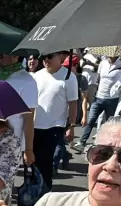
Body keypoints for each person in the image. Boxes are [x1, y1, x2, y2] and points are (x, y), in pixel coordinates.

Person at [31, 51, 79, 191]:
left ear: (60, 57)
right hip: (34, 126)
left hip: (55, 126)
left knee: (45, 162)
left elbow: (73, 103)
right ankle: (34, 190)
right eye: (43, 57)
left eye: (50, 56)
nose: (46, 59)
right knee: (32, 161)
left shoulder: (69, 77)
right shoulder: (37, 75)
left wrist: (71, 125)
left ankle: (45, 192)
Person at [0, 53, 38, 174]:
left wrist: (28, 150)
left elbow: (28, 118)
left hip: (10, 143)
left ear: (16, 56)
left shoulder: (27, 81)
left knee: (2, 184)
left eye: (3, 51)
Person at [74, 55, 121, 150]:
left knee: (109, 123)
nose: (110, 56)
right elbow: (98, 78)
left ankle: (104, 145)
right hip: (99, 97)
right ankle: (81, 142)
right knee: (91, 120)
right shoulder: (103, 63)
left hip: (112, 99)